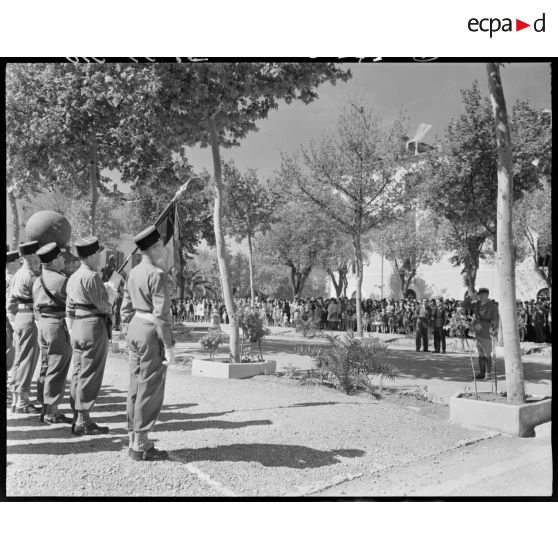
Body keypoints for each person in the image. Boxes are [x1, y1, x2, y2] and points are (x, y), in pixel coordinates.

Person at [120, 226, 174, 461]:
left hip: (135, 328)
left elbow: (125, 307)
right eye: (160, 244)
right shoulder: (157, 274)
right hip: (151, 331)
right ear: (155, 247)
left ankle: (134, 435)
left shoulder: (133, 272)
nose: (163, 248)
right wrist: (168, 345)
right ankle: (141, 442)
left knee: (135, 384)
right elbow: (161, 315)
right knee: (150, 386)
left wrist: (126, 331)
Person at [66, 236, 114, 435]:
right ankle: (84, 419)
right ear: (92, 255)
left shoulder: (73, 277)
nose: (100, 256)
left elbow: (69, 309)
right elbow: (104, 306)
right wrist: (112, 292)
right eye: (98, 253)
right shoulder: (92, 277)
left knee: (78, 372)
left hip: (78, 325)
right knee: (90, 373)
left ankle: (77, 415)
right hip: (93, 327)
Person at [33, 243, 73, 424]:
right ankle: (52, 410)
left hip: (43, 324)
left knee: (46, 365)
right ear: (54, 261)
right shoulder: (62, 280)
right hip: (57, 325)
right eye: (60, 257)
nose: (63, 259)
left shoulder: (38, 280)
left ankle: (44, 405)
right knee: (58, 367)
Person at [7, 241, 41, 413]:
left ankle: (15, 399)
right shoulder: (32, 277)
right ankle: (23, 400)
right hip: (30, 318)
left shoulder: (18, 274)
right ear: (33, 255)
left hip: (20, 318)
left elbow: (10, 305)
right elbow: (42, 300)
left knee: (18, 359)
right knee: (27, 359)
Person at [470, 288, 499, 380]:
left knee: (487, 355)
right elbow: (466, 306)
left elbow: (495, 320)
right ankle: (482, 373)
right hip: (477, 332)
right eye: (480, 295)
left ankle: (488, 374)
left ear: (487, 295)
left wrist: (494, 332)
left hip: (487, 332)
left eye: (483, 295)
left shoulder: (492, 306)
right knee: (480, 354)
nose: (481, 296)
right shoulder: (476, 305)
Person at [6, 248, 21, 375]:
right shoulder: (10, 278)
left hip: (11, 315)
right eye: (18, 262)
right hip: (10, 316)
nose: (20, 265)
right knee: (10, 345)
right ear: (12, 263)